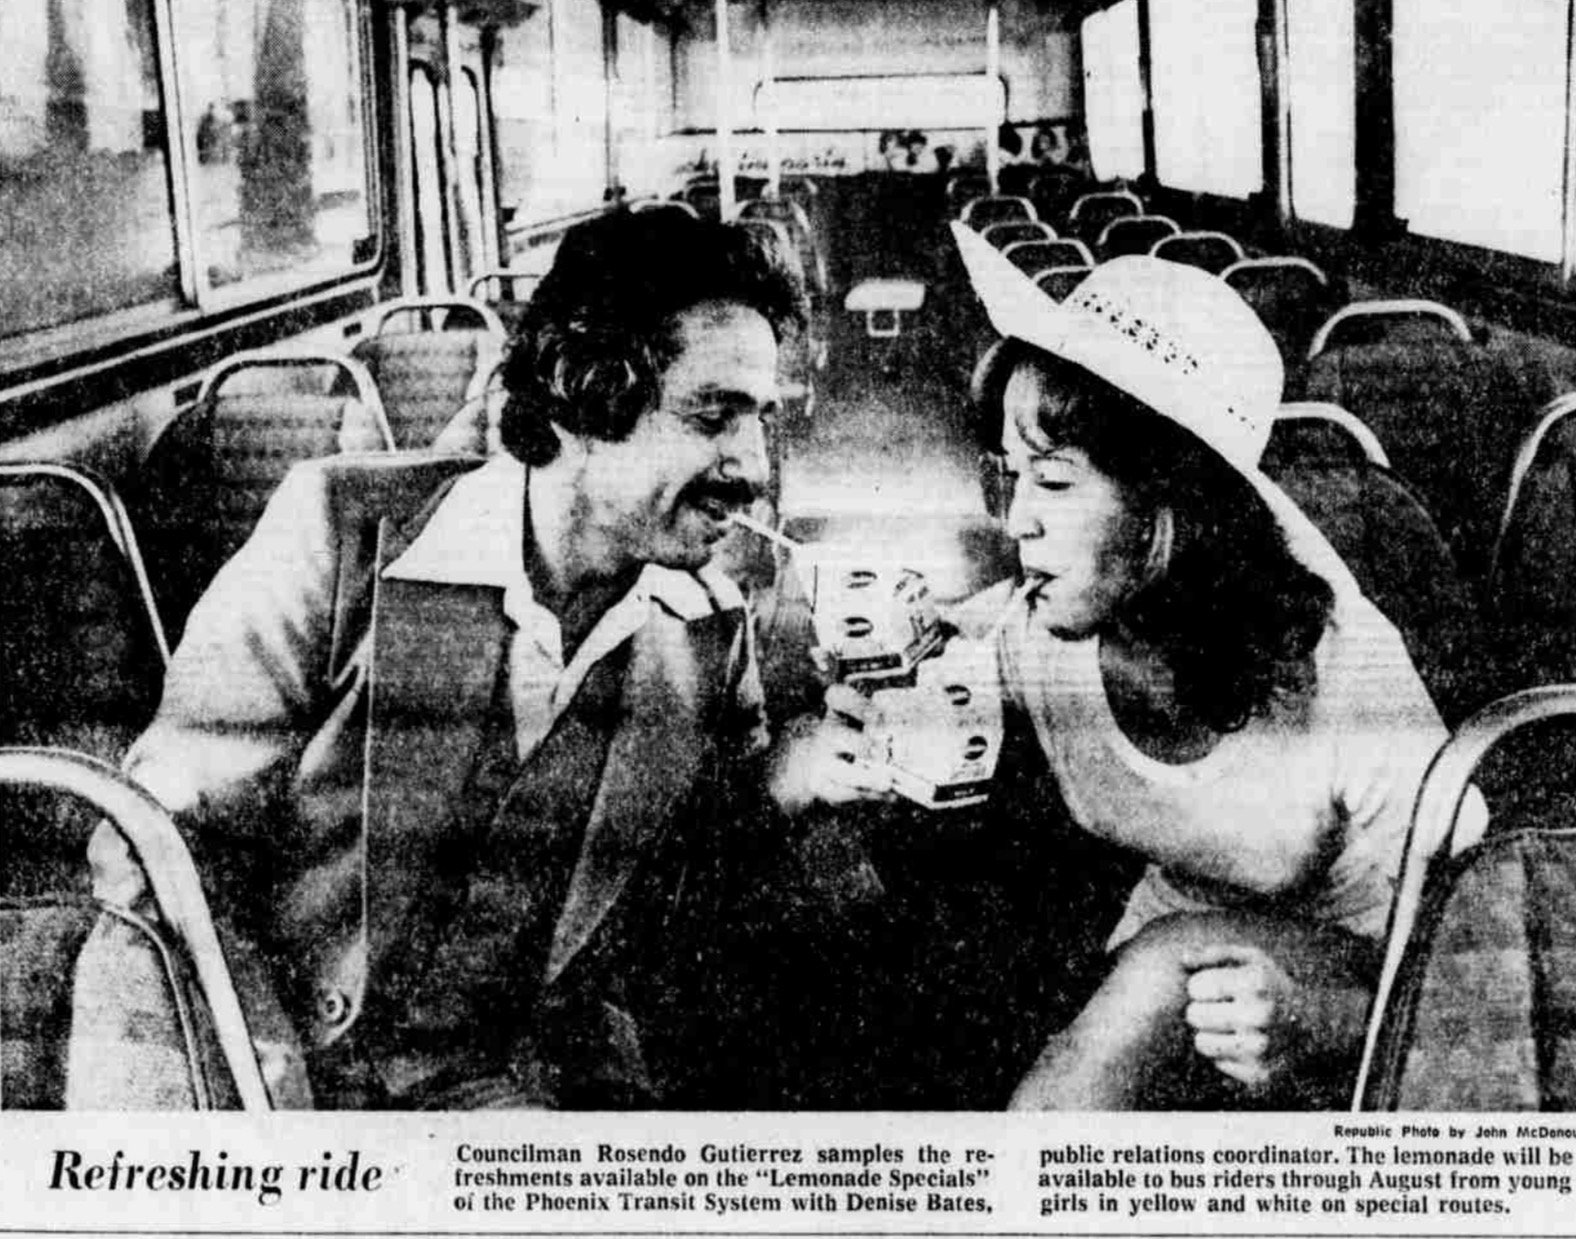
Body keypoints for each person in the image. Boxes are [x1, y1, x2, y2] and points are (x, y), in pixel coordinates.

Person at [83, 209, 868, 1109]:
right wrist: (263, 1086)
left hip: (527, 1086)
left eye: (762, 420)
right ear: (585, 396)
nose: (756, 465)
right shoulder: (338, 538)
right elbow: (157, 846)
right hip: (295, 1073)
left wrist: (790, 779)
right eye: (713, 416)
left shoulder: (709, 630)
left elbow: (693, 902)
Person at [948, 226, 1478, 1109]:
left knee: (1160, 975)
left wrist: (1335, 1012)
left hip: (1382, 974)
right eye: (1009, 478)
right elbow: (959, 649)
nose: (1015, 526)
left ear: (1168, 507)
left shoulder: (1347, 675)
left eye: (1054, 480)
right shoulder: (1039, 627)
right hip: (1180, 944)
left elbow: (1482, 956)